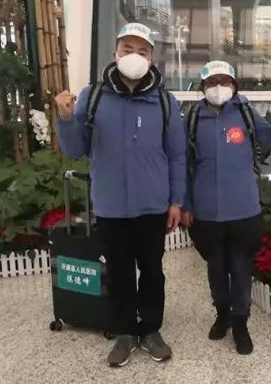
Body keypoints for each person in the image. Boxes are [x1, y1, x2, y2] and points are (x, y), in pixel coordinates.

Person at [55, 23, 186, 368]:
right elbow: (75, 149)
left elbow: (177, 155)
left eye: (142, 51)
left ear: (152, 58)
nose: (134, 56)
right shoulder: (94, 96)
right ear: (115, 53)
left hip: (152, 205)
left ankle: (151, 329)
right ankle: (125, 332)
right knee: (119, 272)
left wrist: (176, 201)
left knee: (153, 270)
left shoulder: (164, 101)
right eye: (127, 49)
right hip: (111, 204)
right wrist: (66, 118)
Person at [181, 60, 271, 355]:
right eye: (212, 82)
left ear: (234, 86)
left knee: (241, 269)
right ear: (203, 87)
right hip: (206, 212)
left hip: (244, 210)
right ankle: (222, 315)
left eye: (224, 81)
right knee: (215, 268)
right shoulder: (193, 118)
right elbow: (183, 164)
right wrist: (185, 203)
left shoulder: (245, 113)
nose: (218, 87)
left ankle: (240, 323)